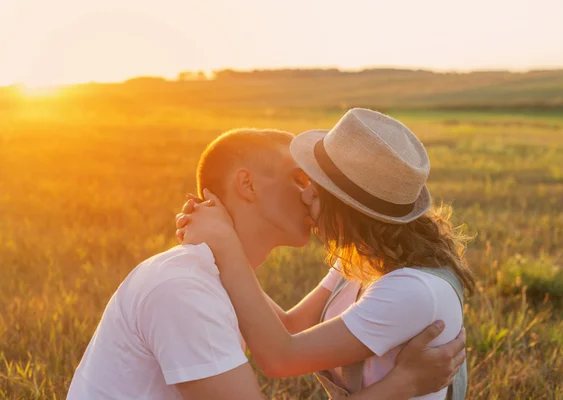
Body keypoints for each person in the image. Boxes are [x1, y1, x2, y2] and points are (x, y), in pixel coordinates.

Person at [66, 128, 466, 400]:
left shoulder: (404, 285)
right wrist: (404, 383)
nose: (310, 193)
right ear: (247, 185)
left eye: (315, 181)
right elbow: (284, 339)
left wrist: (225, 246)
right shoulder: (182, 289)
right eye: (299, 177)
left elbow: (283, 341)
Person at [177, 109, 476, 399]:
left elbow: (281, 357)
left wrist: (227, 246)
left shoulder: (413, 290)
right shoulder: (362, 259)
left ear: (350, 210)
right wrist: (225, 243)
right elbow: (288, 327)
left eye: (317, 192)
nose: (304, 196)